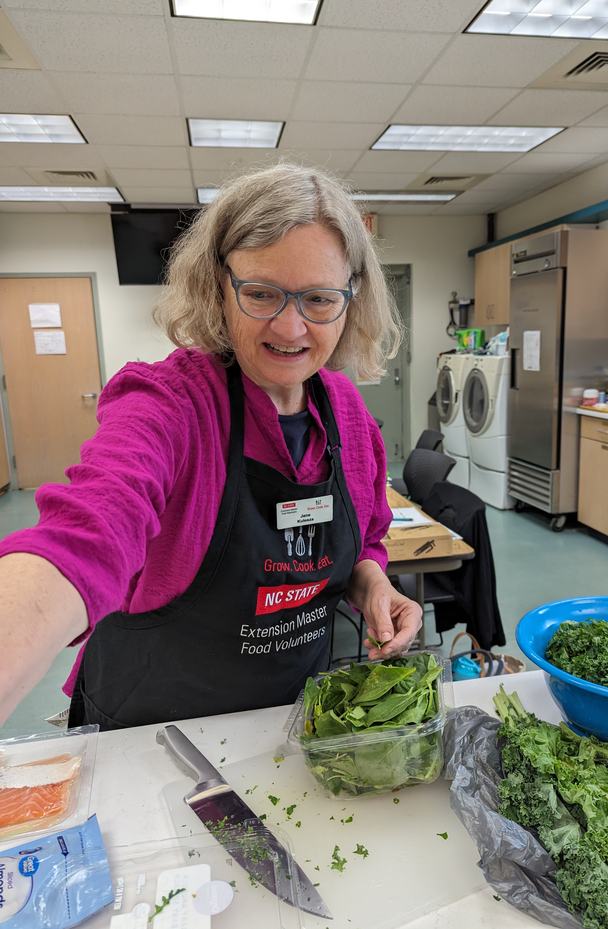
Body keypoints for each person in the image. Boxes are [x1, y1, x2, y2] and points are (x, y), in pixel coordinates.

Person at [0, 163, 422, 730]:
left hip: (290, 726)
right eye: (261, 293)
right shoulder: (169, 404)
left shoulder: (347, 414)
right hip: (148, 735)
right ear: (217, 287)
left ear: (351, 300)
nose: (292, 328)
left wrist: (373, 585)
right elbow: (89, 533)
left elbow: (366, 539)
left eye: (319, 299)